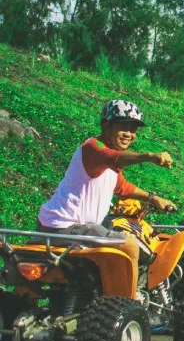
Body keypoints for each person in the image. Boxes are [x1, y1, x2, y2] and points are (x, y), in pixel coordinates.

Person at [37, 99, 175, 286]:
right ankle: (129, 304)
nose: (129, 134)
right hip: (68, 226)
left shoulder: (108, 160)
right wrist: (149, 156)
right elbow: (114, 158)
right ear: (106, 125)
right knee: (130, 246)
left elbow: (121, 187)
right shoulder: (94, 148)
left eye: (133, 129)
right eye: (123, 127)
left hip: (52, 224)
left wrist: (153, 198)